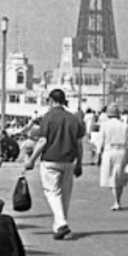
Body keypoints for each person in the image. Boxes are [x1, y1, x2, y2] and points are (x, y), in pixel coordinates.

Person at [24, 89, 85, 241]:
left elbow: (43, 141)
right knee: (65, 195)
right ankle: (59, 226)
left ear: (51, 100)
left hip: (50, 160)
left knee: (52, 192)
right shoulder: (73, 118)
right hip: (69, 161)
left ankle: (62, 223)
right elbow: (79, 144)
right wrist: (80, 163)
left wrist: (31, 159)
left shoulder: (48, 117)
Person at [97, 104, 128, 211]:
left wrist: (98, 154)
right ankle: (118, 200)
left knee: (110, 176)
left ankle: (116, 201)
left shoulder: (104, 125)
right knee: (120, 177)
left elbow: (101, 140)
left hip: (109, 151)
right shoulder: (125, 125)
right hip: (122, 152)